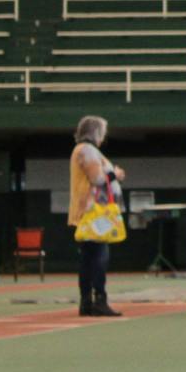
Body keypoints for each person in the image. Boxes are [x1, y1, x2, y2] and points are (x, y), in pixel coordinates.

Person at [67, 115, 125, 318]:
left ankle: (87, 302)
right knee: (99, 256)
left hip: (89, 211)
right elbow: (97, 178)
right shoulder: (88, 150)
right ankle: (99, 299)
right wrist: (114, 175)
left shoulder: (82, 150)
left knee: (88, 258)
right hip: (95, 212)